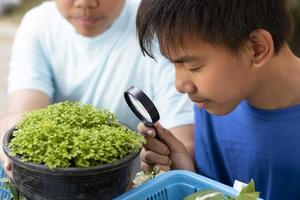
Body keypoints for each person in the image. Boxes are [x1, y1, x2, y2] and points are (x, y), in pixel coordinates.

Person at [0, 0, 194, 177]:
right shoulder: (39, 24)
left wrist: (164, 164)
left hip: (133, 185)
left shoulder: (157, 26)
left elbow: (183, 143)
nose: (86, 3)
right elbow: (21, 110)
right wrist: (13, 144)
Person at [135, 0, 300, 199]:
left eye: (194, 67)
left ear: (257, 48)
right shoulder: (215, 103)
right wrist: (187, 179)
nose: (180, 85)